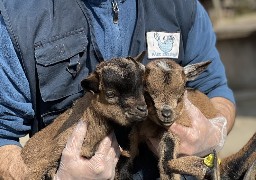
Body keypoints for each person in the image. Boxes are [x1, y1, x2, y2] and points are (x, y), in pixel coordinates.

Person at [0, 0, 236, 179]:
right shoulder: (18, 16)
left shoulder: (182, 7)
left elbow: (216, 91)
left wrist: (215, 131)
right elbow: (3, 135)